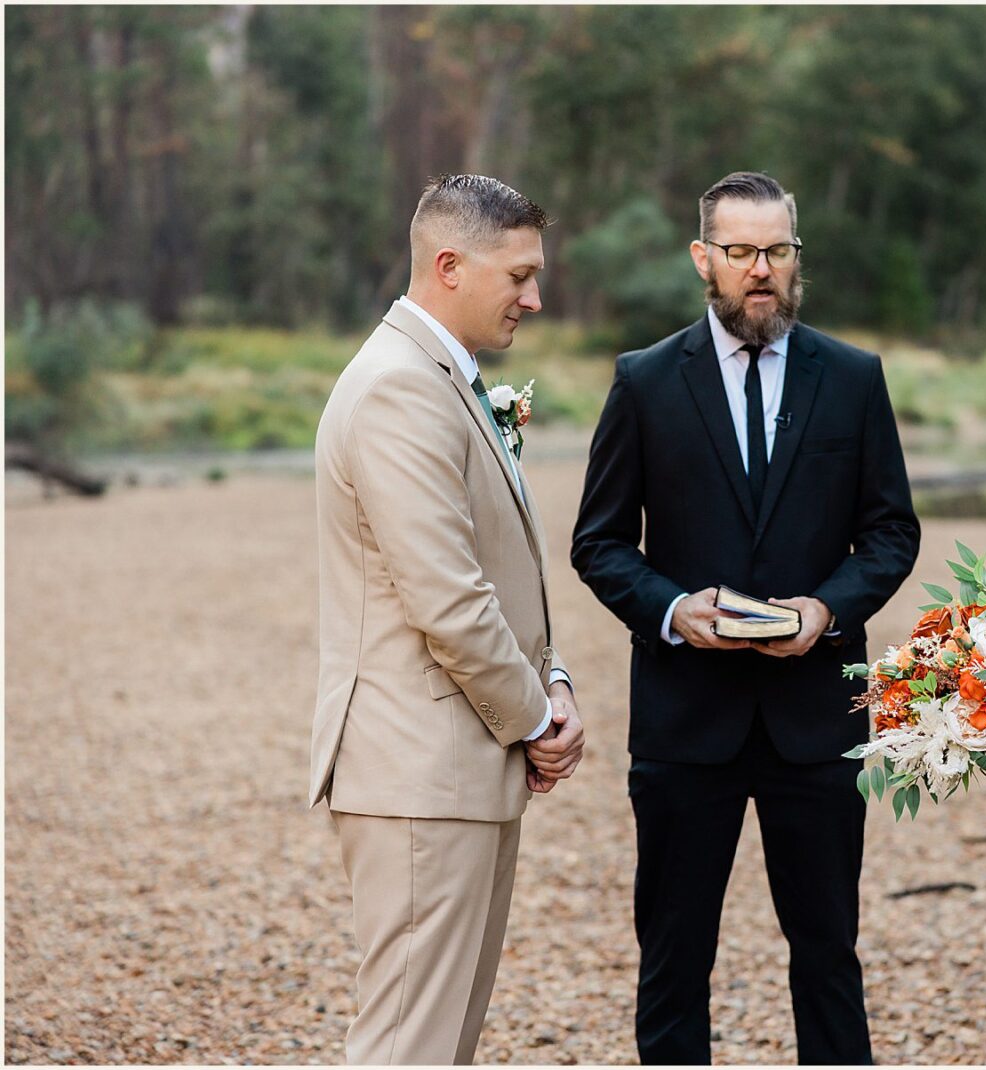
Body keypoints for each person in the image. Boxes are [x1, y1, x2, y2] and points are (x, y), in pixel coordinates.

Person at [571, 170, 920, 1065]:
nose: (760, 270)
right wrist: (674, 609)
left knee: (829, 958)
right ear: (705, 259)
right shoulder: (645, 382)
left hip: (816, 718)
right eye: (741, 252)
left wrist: (827, 609)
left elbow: (890, 532)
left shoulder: (853, 378)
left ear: (796, 256)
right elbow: (601, 542)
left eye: (777, 251)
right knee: (675, 962)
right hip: (687, 724)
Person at [309, 174, 586, 1064]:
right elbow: (448, 599)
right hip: (418, 774)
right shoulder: (398, 388)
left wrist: (557, 680)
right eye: (519, 277)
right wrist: (540, 720)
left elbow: (503, 576)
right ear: (450, 266)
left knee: (444, 1042)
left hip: (460, 768)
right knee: (407, 1044)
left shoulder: (442, 379)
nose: (534, 299)